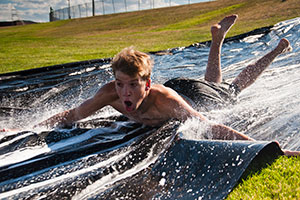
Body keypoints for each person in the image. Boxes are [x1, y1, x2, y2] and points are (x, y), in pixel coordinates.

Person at [7, 15, 298, 155]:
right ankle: (217, 39)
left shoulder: (164, 101)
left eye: (132, 84)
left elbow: (209, 126)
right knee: (217, 82)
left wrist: (268, 149)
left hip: (192, 95)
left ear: (147, 82)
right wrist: (24, 130)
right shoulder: (111, 93)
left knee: (230, 90)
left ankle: (273, 51)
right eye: (120, 84)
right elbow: (71, 116)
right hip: (181, 86)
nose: (125, 93)